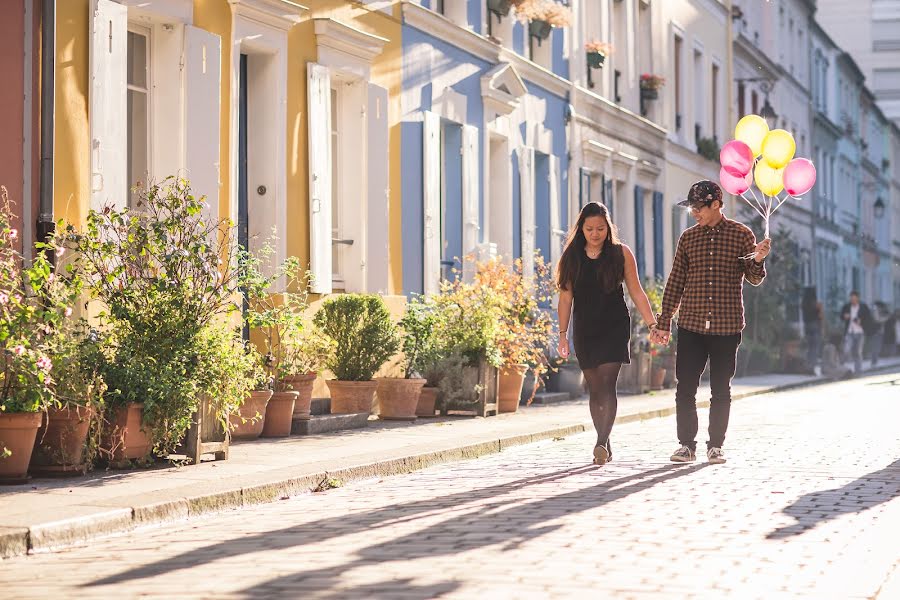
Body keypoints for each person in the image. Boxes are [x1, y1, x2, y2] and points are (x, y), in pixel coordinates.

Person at [650, 180, 770, 465]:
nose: (693, 213)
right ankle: (686, 445)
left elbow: (754, 278)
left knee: (720, 388)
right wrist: (664, 320)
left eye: (697, 207)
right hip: (691, 323)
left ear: (716, 204)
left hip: (726, 327)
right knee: (685, 387)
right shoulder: (688, 238)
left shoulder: (741, 234)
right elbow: (676, 281)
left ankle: (715, 445)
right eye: (691, 207)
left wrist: (758, 259)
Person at [556, 202, 657, 466]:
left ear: (608, 227)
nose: (595, 233)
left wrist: (652, 324)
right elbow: (565, 299)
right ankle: (605, 439)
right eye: (589, 228)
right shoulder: (572, 257)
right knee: (595, 388)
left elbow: (636, 291)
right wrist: (562, 334)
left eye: (600, 228)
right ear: (581, 229)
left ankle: (600, 442)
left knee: (608, 384)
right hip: (585, 327)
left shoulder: (620, 254)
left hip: (614, 325)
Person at [840, 291, 871, 375]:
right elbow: (841, 316)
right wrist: (844, 317)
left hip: (860, 332)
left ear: (858, 298)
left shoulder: (863, 307)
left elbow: (869, 319)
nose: (852, 300)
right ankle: (839, 368)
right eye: (851, 299)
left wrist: (861, 321)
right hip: (850, 332)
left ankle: (858, 371)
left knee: (858, 352)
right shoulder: (847, 307)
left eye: (854, 299)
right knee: (846, 349)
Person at [801, 287, 824, 376]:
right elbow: (821, 316)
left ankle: (807, 367)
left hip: (806, 326)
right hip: (815, 325)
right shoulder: (816, 304)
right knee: (815, 348)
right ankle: (812, 368)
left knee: (809, 348)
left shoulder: (804, 304)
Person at [868, 301, 889, 367]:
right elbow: (877, 320)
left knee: (876, 347)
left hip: (878, 332)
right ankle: (874, 362)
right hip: (876, 332)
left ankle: (874, 361)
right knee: (875, 347)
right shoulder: (875, 311)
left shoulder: (876, 311)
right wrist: (885, 318)